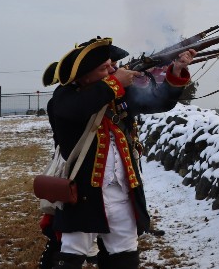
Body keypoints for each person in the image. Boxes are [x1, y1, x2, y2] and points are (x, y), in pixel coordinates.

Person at [40, 37, 194, 269]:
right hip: (82, 194)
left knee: (124, 253)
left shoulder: (119, 95)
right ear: (85, 75)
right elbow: (75, 109)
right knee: (72, 254)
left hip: (122, 191)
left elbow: (158, 101)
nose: (113, 69)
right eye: (105, 68)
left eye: (112, 65)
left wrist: (176, 71)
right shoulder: (64, 98)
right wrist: (114, 83)